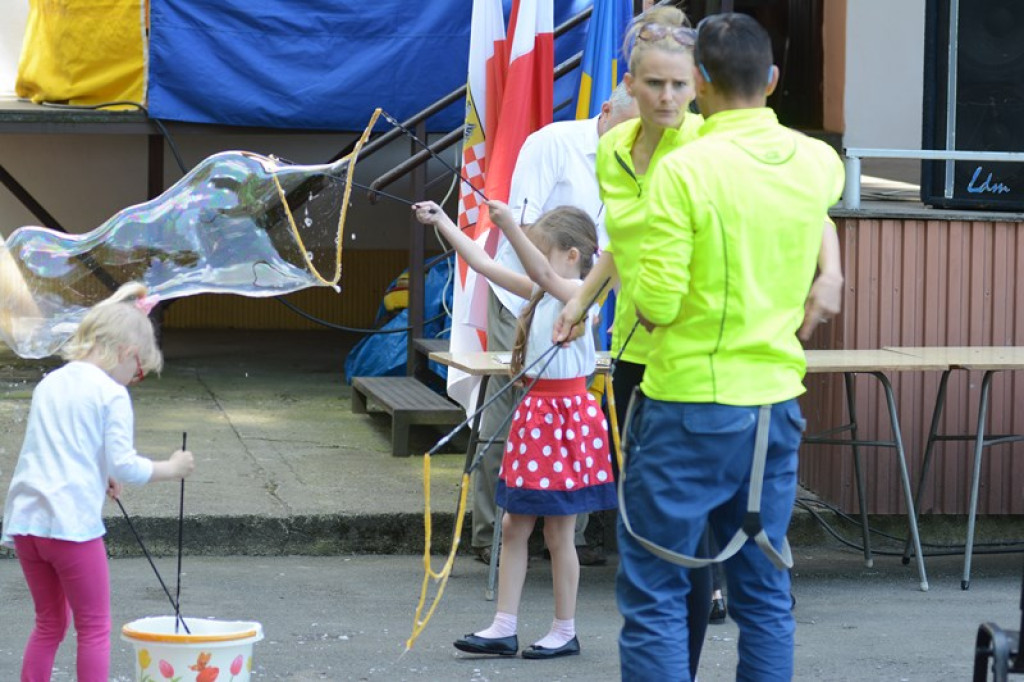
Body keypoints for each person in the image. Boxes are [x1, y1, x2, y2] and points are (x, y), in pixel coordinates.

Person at [608, 13, 845, 680]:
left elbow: (655, 305)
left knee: (657, 589)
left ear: (701, 83)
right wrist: (829, 273)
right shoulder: (817, 161)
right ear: (771, 79)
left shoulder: (684, 170)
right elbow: (819, 206)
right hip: (774, 407)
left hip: (687, 404)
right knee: (764, 595)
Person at [553, 4, 716, 676]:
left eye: (680, 84)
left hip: (696, 357)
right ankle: (658, 660)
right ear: (629, 82)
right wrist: (581, 302)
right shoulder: (614, 149)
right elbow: (621, 241)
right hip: (629, 354)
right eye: (655, 84)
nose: (669, 97)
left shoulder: (708, 146)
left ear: (699, 84)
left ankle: (684, 663)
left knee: (690, 531)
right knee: (642, 523)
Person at [412, 198, 616, 660]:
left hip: (564, 419)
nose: (536, 262)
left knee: (559, 533)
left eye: (544, 252)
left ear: (572, 256)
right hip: (536, 416)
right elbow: (483, 263)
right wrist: (442, 220)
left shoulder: (581, 296)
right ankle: (503, 626)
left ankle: (565, 630)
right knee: (514, 524)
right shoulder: (543, 291)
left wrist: (509, 225)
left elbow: (545, 277)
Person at [470, 85, 637, 568]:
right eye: (629, 128)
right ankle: (491, 533)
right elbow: (521, 225)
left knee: (571, 416)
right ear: (605, 112)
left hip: (585, 303)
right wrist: (548, 288)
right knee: (508, 415)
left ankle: (567, 533)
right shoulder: (552, 143)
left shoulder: (645, 162)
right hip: (523, 294)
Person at [1, 282, 197, 682]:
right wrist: (170, 468)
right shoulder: (111, 393)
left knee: (49, 624)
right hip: (71, 527)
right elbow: (127, 468)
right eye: (138, 372)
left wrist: (99, 471)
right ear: (126, 353)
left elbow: (61, 447)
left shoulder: (51, 382)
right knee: (93, 629)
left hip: (26, 523)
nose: (132, 381)